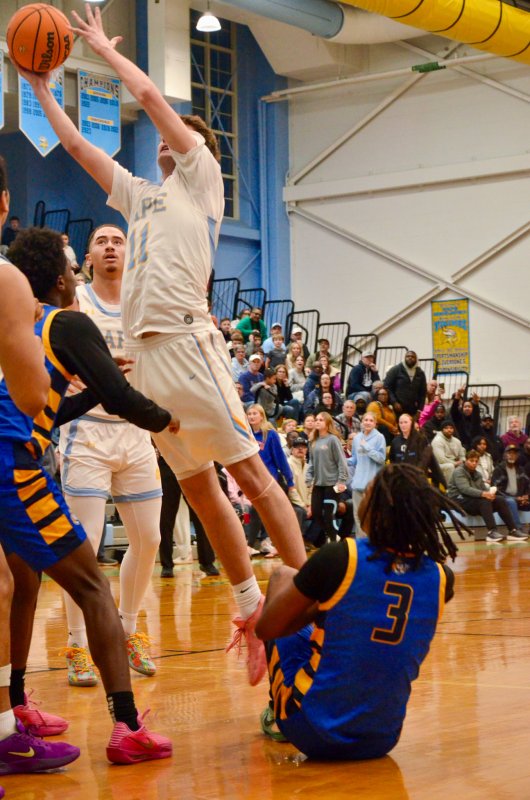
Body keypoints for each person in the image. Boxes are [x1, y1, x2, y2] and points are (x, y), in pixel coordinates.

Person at [21, 3, 307, 689]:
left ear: (192, 146)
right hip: (146, 361)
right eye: (160, 143)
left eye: (174, 138)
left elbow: (149, 96)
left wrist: (99, 46)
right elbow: (81, 149)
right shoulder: (142, 196)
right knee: (201, 490)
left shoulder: (202, 179)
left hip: (185, 340)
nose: (161, 143)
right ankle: (249, 610)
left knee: (252, 479)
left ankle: (309, 590)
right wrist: (39, 88)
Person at [3, 226, 176, 763]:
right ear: (60, 279)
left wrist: (96, 391)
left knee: (20, 584)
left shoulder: (19, 324)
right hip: (14, 468)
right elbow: (122, 398)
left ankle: (14, 707)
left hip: (13, 453)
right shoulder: (67, 322)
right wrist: (171, 420)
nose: (78, 273)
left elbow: (48, 410)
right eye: (73, 266)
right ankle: (127, 727)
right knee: (94, 588)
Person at [257, 463, 462, 760]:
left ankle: (278, 715)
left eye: (366, 493)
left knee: (280, 577)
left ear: (378, 510)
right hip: (383, 738)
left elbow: (267, 629)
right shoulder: (443, 579)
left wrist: (321, 609)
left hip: (312, 730)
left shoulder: (341, 557)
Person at [58, 224, 165, 687]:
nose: (109, 247)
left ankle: (128, 629)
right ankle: (78, 645)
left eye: (117, 240)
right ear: (88, 256)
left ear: (129, 252)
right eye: (101, 241)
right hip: (87, 433)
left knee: (150, 539)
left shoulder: (144, 300)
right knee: (83, 547)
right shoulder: (76, 301)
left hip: (135, 434)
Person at [0, 156, 79, 782]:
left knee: (14, 587)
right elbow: (31, 398)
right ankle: (6, 732)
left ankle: (14, 709)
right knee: (5, 590)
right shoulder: (9, 283)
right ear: (3, 203)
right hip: (13, 455)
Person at [245, 405, 295, 557]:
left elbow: (280, 458)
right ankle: (267, 542)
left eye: (255, 413)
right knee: (260, 513)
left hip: (270, 480)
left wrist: (290, 481)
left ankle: (255, 544)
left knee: (262, 512)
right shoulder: (247, 435)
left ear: (261, 416)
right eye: (249, 414)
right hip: (253, 480)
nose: (251, 416)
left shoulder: (270, 435)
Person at [448, 450, 526, 543]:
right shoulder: (459, 471)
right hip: (459, 499)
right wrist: (484, 494)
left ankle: (512, 530)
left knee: (500, 500)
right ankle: (492, 532)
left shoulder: (478, 474)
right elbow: (465, 489)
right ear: (466, 460)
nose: (474, 463)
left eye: (476, 461)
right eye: (471, 460)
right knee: (484, 501)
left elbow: (483, 489)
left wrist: (490, 495)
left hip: (473, 499)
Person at [306, 412, 349, 544]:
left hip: (332, 484)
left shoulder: (333, 440)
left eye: (321, 420)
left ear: (328, 423)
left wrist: (341, 481)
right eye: (316, 419)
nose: (317, 422)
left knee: (328, 515)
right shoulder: (313, 441)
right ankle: (333, 536)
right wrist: (309, 476)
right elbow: (312, 462)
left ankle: (332, 540)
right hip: (318, 484)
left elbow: (342, 462)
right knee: (317, 513)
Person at [348, 412, 386, 536]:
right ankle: (361, 542)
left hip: (372, 484)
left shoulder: (379, 437)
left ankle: (373, 541)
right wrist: (341, 460)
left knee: (372, 515)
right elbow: (354, 459)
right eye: (366, 420)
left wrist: (368, 447)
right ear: (362, 422)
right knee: (357, 515)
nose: (368, 422)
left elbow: (381, 458)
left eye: (371, 420)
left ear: (375, 423)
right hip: (357, 483)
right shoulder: (357, 438)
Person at [491, 445, 530, 534]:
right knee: (511, 501)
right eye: (509, 453)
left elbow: (528, 484)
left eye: (514, 454)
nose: (512, 455)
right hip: (504, 499)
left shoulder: (520, 469)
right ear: (504, 455)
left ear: (517, 456)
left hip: (519, 498)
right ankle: (517, 529)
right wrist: (515, 498)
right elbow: (495, 488)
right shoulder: (499, 469)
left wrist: (526, 495)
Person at [384, 351, 427, 417]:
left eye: (413, 357)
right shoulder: (395, 370)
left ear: (416, 359)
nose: (410, 358)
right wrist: (394, 402)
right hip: (397, 409)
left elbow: (423, 393)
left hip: (413, 410)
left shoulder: (420, 373)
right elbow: (387, 387)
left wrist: (419, 410)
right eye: (408, 356)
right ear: (404, 358)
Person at [431, 420, 465, 485]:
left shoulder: (457, 441)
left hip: (455, 463)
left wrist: (462, 461)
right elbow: (441, 459)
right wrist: (455, 463)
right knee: (450, 466)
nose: (449, 430)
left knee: (468, 464)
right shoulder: (437, 441)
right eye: (446, 428)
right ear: (442, 430)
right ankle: (450, 489)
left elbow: (462, 455)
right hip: (439, 465)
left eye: (451, 428)